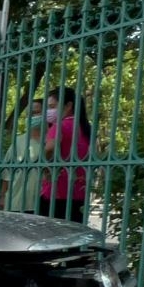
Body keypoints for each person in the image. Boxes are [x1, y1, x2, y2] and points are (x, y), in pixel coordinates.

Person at [39, 87, 92, 223]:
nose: (49, 111)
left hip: (55, 192)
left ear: (68, 105)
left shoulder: (59, 126)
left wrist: (45, 164)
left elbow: (50, 147)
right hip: (79, 192)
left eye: (52, 106)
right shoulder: (85, 128)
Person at [0, 115, 44, 214]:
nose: (34, 116)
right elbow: (7, 171)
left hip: (44, 201)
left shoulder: (52, 139)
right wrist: (2, 195)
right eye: (31, 113)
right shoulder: (19, 141)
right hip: (18, 200)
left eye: (37, 112)